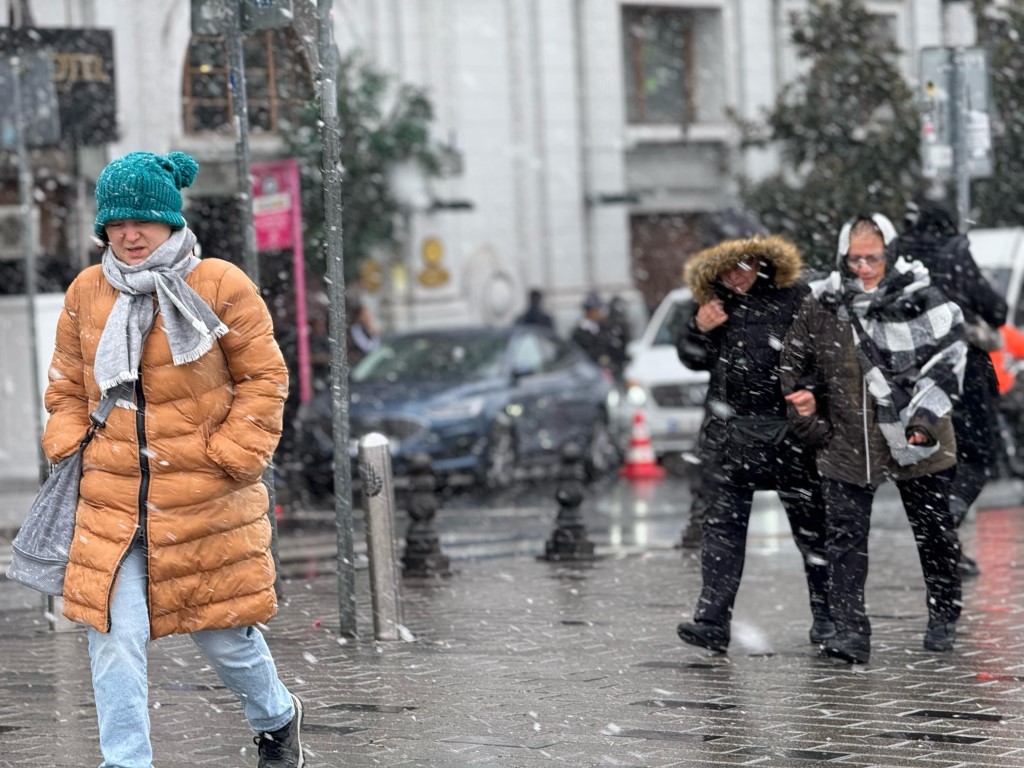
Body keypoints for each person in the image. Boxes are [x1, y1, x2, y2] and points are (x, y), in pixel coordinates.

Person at [41, 151, 304, 767]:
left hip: (203, 499)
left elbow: (264, 379)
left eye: (143, 221)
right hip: (111, 502)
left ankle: (275, 716)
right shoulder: (86, 290)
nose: (129, 235)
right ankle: (126, 762)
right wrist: (70, 443)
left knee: (224, 639)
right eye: (116, 223)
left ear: (170, 220)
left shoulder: (219, 283)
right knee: (113, 636)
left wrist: (231, 454)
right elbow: (65, 385)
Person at [781, 213, 966, 664]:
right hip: (848, 440)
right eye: (854, 258)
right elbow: (793, 362)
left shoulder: (923, 298)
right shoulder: (822, 303)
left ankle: (943, 613)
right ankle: (850, 631)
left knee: (934, 534)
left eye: (873, 258)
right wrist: (810, 415)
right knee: (843, 539)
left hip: (918, 436)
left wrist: (922, 418)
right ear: (842, 256)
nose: (863, 267)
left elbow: (950, 359)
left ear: (892, 254)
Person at [674, 235, 832, 654]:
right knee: (722, 531)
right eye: (726, 269)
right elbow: (691, 357)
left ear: (761, 263)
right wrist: (699, 328)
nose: (735, 277)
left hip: (789, 436)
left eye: (742, 267)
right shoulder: (715, 304)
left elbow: (824, 356)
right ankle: (711, 622)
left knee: (813, 532)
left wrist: (812, 393)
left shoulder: (795, 298)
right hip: (730, 438)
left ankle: (829, 618)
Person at [897, 198, 1007, 576]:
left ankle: (947, 546)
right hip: (964, 366)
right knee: (976, 457)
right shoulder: (956, 252)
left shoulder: (898, 255)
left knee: (931, 460)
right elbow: (995, 310)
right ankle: (949, 518)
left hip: (910, 370)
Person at [572, 291, 612, 368]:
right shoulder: (579, 332)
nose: (601, 313)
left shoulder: (603, 327)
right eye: (598, 310)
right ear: (591, 311)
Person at [347, 301, 380, 367]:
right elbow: (366, 347)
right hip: (359, 363)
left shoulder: (367, 328)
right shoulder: (355, 328)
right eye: (364, 314)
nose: (367, 317)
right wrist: (374, 336)